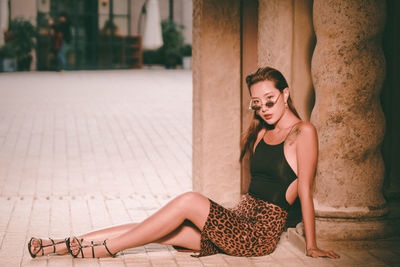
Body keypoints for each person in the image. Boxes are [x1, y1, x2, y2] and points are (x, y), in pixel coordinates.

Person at [27, 67, 339, 259]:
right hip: (236, 220)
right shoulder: (260, 134)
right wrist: (230, 214)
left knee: (190, 200)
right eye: (257, 104)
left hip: (256, 235)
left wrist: (311, 245)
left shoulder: (303, 133)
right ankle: (61, 244)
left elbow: (305, 190)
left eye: (270, 100)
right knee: (152, 229)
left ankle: (108, 248)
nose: (264, 109)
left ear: (285, 94)